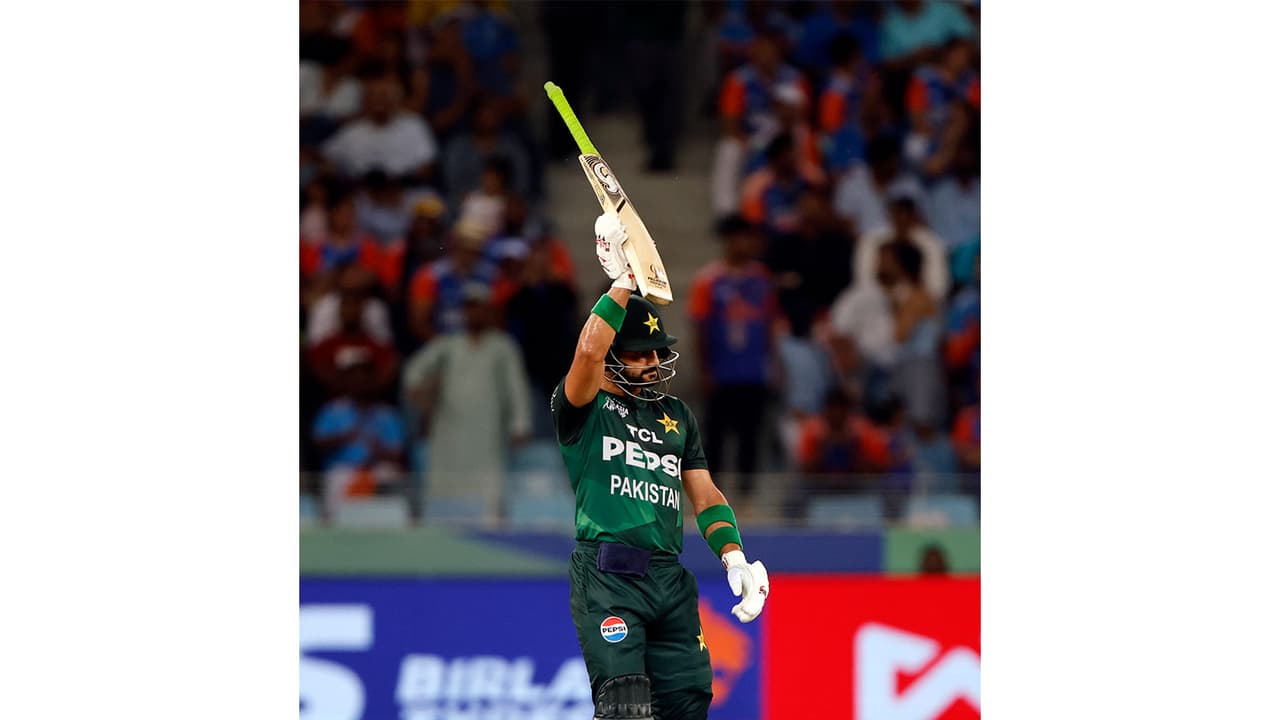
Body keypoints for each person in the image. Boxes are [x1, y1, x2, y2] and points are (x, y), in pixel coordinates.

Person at [552, 213, 771, 719]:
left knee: (688, 705)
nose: (653, 362)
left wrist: (734, 558)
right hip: (608, 573)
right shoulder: (581, 408)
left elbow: (706, 497)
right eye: (638, 354)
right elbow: (587, 352)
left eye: (657, 352)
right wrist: (622, 283)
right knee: (625, 707)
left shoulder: (677, 415)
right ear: (613, 356)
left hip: (670, 578)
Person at [402, 283, 532, 520]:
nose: (474, 313)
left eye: (479, 307)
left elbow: (516, 387)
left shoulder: (502, 346)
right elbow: (413, 373)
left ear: (489, 310)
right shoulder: (448, 344)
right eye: (469, 307)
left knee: (488, 483)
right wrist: (422, 392)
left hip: (488, 428)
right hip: (448, 427)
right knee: (445, 479)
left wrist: (519, 424)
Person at [688, 215, 778, 503]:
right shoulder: (708, 281)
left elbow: (769, 324)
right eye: (739, 237)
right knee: (714, 437)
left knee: (750, 436)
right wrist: (704, 371)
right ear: (728, 241)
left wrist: (772, 363)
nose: (745, 244)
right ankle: (710, 499)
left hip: (753, 372)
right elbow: (700, 328)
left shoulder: (762, 279)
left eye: (749, 237)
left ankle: (746, 498)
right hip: (721, 373)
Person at [311, 352, 407, 512]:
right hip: (343, 471)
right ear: (345, 382)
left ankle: (388, 522)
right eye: (354, 378)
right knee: (337, 477)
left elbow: (397, 453)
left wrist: (377, 450)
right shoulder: (332, 410)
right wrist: (345, 437)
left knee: (390, 474)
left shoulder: (386, 414)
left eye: (365, 378)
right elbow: (318, 445)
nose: (360, 383)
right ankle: (333, 522)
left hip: (376, 470)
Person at [322, 75, 438, 180]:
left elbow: (426, 167)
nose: (379, 101)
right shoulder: (352, 129)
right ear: (365, 100)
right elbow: (326, 157)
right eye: (373, 96)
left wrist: (397, 182)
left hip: (405, 188)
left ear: (397, 100)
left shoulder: (414, 124)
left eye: (384, 96)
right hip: (361, 190)